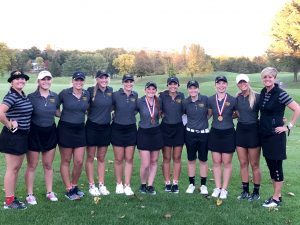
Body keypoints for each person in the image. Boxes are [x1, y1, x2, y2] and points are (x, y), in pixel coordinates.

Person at [259, 67, 300, 208]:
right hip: (265, 135)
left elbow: (297, 108)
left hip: (276, 136)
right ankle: (278, 195)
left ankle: (275, 199)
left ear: (275, 78)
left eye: (270, 77)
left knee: (276, 166)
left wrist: (288, 126)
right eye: (265, 77)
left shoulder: (280, 93)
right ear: (262, 79)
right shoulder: (264, 92)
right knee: (271, 165)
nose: (267, 79)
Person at [25, 71, 60, 205]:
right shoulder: (31, 97)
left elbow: (57, 112)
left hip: (50, 132)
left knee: (48, 164)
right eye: (43, 79)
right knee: (32, 165)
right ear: (38, 81)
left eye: (48, 79)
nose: (46, 81)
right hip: (34, 132)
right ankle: (29, 194)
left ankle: (50, 192)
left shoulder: (55, 97)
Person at [0, 70, 33, 209]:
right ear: (12, 82)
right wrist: (9, 124)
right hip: (13, 136)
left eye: (22, 78)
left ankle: (11, 198)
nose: (20, 80)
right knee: (12, 169)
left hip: (22, 135)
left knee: (16, 168)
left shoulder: (22, 95)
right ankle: (9, 201)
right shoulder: (12, 96)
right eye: (16, 78)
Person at [57, 71, 90, 200]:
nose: (79, 82)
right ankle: (69, 189)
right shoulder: (65, 93)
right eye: (77, 80)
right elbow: (54, 107)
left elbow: (89, 108)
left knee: (79, 161)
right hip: (65, 128)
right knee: (66, 160)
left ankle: (74, 185)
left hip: (80, 129)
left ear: (83, 81)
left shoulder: (86, 94)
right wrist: (63, 115)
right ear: (72, 81)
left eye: (81, 80)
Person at [208, 75, 236, 199]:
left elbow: (238, 114)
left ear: (227, 85)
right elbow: (208, 115)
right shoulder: (210, 99)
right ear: (215, 85)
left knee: (227, 162)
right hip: (214, 133)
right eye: (218, 83)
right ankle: (217, 187)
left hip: (228, 133)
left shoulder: (233, 99)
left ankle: (224, 189)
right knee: (216, 162)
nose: (221, 86)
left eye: (223, 83)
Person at [85, 71, 112, 196]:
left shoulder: (110, 90)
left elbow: (114, 107)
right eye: (101, 78)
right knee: (90, 157)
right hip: (92, 127)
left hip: (106, 127)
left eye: (106, 77)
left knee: (101, 157)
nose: (104, 80)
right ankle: (91, 185)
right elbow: (84, 106)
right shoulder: (90, 91)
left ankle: (101, 184)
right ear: (97, 79)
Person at [235, 74, 261, 201]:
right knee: (243, 163)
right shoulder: (237, 98)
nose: (242, 84)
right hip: (240, 131)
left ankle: (256, 192)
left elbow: (267, 111)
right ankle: (245, 191)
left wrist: (280, 119)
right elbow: (234, 113)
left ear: (248, 82)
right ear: (237, 85)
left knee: (254, 164)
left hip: (253, 131)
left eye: (244, 81)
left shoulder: (257, 96)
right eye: (240, 82)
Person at [111, 74, 138, 196]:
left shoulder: (135, 95)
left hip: (131, 129)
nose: (129, 84)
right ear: (123, 82)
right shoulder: (116, 95)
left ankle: (127, 185)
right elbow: (110, 107)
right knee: (118, 159)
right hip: (117, 128)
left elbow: (136, 109)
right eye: (126, 81)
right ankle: (119, 184)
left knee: (129, 158)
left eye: (131, 81)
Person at [183, 80, 209, 195]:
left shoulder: (205, 99)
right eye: (190, 88)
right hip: (190, 134)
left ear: (198, 89)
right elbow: (183, 115)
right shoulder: (185, 102)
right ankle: (191, 184)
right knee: (191, 159)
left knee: (203, 160)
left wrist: (202, 122)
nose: (193, 90)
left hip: (203, 134)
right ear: (188, 89)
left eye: (195, 88)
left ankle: (203, 185)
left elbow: (209, 113)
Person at [137, 81, 163, 195]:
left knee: (154, 161)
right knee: (146, 163)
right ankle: (143, 184)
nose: (151, 91)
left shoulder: (159, 101)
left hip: (156, 132)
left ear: (155, 90)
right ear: (145, 90)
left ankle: (150, 185)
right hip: (143, 132)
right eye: (149, 89)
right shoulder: (140, 101)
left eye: (153, 89)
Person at [159, 76, 185, 193]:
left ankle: (175, 183)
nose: (173, 86)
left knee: (177, 157)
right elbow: (158, 109)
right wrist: (161, 114)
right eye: (171, 84)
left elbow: (185, 111)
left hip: (179, 128)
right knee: (166, 157)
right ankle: (167, 183)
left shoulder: (182, 96)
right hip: (165, 129)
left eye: (175, 84)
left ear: (178, 86)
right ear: (167, 85)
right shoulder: (162, 96)